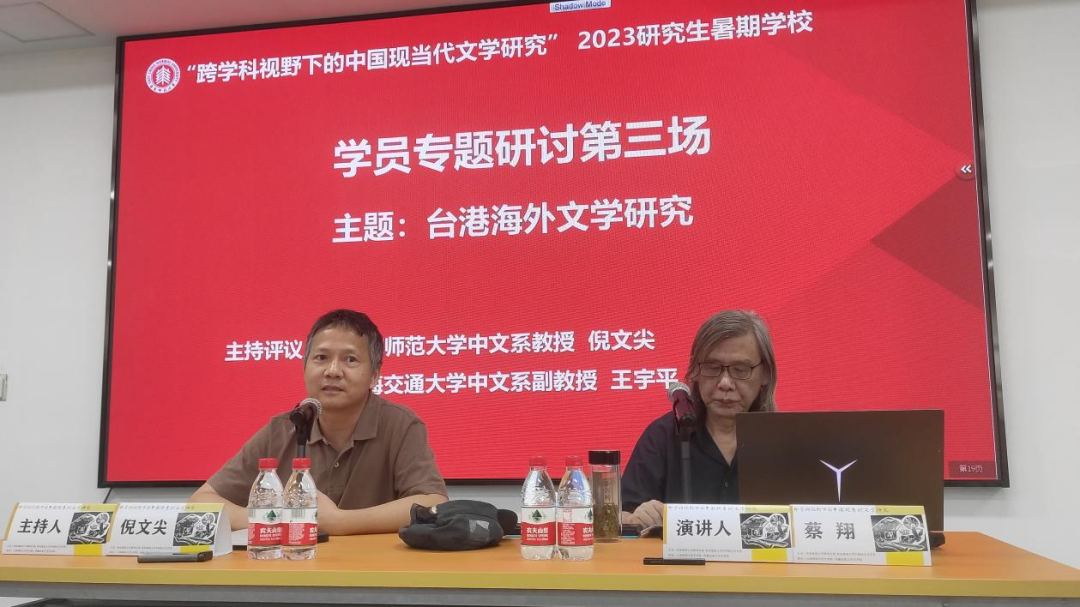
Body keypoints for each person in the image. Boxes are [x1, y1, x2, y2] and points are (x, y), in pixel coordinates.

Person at [190, 309, 448, 535]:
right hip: (295, 568)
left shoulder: (401, 425)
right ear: (305, 368)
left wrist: (340, 522)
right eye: (321, 358)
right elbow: (200, 501)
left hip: (375, 570)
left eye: (350, 359)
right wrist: (271, 519)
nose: (332, 371)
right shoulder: (283, 429)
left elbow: (433, 502)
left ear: (374, 376)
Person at [621, 310, 777, 528]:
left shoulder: (785, 441)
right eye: (712, 368)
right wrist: (635, 518)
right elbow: (621, 515)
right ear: (695, 370)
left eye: (740, 370)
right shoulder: (663, 436)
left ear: (766, 373)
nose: (725, 383)